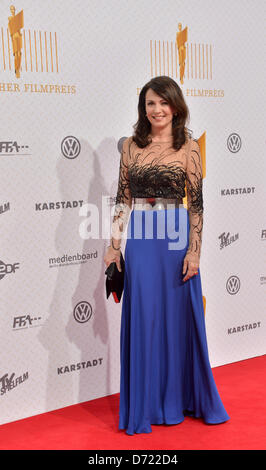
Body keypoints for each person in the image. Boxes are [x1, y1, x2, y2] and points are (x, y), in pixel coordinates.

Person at [104, 76, 230, 435]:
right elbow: (122, 198)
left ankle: (181, 399)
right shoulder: (131, 146)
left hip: (175, 236)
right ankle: (144, 405)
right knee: (145, 318)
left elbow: (198, 205)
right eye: (150, 104)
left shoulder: (189, 146)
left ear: (176, 106)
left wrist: (195, 251)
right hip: (143, 237)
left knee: (178, 318)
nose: (156, 110)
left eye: (163, 102)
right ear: (143, 109)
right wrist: (114, 244)